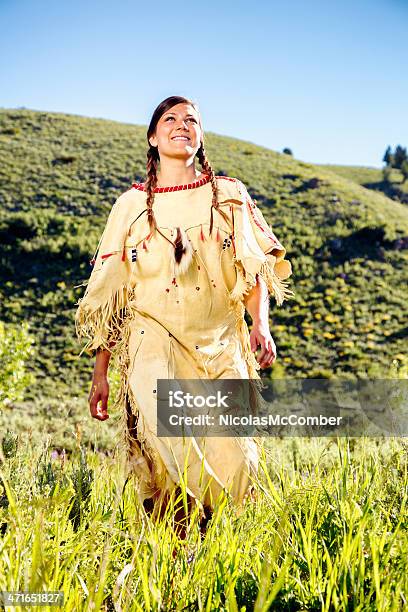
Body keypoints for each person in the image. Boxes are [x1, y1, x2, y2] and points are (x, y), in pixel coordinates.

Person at [74, 95, 294, 540]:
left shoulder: (230, 195)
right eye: (170, 119)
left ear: (201, 135)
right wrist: (101, 372)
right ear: (153, 138)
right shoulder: (130, 207)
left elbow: (253, 269)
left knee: (236, 459)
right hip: (152, 337)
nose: (182, 125)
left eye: (191, 119)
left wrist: (261, 326)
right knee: (166, 438)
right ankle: (170, 549)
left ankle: (214, 547)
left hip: (219, 342)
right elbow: (110, 293)